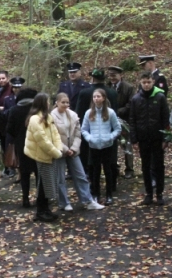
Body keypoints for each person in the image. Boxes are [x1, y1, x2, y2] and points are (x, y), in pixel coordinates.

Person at [51, 93, 104, 211]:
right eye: (63, 102)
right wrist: (65, 149)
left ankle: (88, 200)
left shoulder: (73, 115)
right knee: (60, 178)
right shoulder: (52, 117)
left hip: (73, 150)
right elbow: (53, 136)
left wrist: (74, 148)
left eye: (67, 102)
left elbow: (77, 133)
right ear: (57, 102)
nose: (65, 105)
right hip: (59, 150)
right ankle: (64, 203)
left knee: (81, 175)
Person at [24, 92, 65, 222]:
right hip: (42, 155)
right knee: (43, 185)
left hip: (50, 155)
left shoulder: (47, 117)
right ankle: (40, 211)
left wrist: (59, 148)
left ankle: (46, 209)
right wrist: (56, 153)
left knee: (48, 184)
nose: (49, 103)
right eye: (47, 101)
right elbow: (42, 141)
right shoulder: (35, 119)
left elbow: (55, 134)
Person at [131, 71, 170, 205]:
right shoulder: (136, 99)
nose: (146, 85)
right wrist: (134, 140)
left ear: (153, 81)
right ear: (140, 83)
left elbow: (165, 119)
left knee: (159, 166)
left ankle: (159, 194)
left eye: (148, 82)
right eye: (144, 82)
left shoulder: (160, 97)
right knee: (145, 166)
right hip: (143, 138)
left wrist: (166, 138)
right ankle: (149, 193)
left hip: (157, 138)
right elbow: (133, 120)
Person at [82, 88, 122, 205]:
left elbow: (117, 129)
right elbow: (84, 129)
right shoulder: (88, 113)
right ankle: (96, 194)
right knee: (95, 171)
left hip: (107, 146)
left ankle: (109, 194)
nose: (96, 99)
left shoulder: (110, 112)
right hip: (94, 146)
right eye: (94, 97)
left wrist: (110, 137)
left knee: (108, 170)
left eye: (98, 96)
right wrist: (89, 138)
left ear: (103, 98)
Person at [76, 69, 118, 170]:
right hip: (109, 132)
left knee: (91, 163)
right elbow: (116, 112)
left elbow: (79, 114)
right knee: (109, 162)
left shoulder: (84, 93)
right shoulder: (113, 93)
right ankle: (111, 182)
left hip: (90, 134)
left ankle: (90, 178)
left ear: (93, 78)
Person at [6, 87, 39, 208]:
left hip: (21, 145)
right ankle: (39, 197)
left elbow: (9, 129)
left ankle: (25, 198)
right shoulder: (37, 110)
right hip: (37, 144)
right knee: (38, 172)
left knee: (24, 173)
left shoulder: (14, 110)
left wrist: (17, 138)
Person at [107, 66, 137, 179]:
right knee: (112, 145)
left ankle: (129, 169)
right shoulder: (107, 87)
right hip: (110, 121)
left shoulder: (128, 88)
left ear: (120, 75)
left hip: (125, 120)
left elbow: (131, 104)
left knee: (126, 145)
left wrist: (117, 112)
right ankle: (115, 167)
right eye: (110, 76)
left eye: (114, 75)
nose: (112, 78)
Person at [0, 70, 15, 177]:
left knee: (10, 146)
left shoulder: (11, 90)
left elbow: (13, 105)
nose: (1, 80)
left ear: (7, 78)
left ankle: (13, 167)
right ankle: (5, 167)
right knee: (2, 147)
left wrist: (3, 108)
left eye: (3, 78)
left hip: (9, 123)